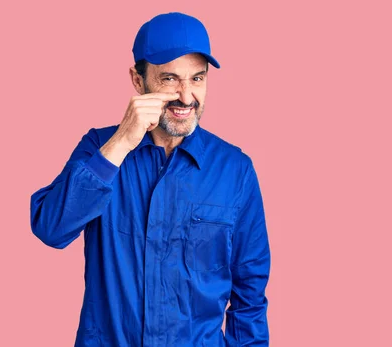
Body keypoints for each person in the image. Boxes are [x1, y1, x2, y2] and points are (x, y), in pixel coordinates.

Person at [29, 12, 271, 347]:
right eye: (170, 79)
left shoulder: (235, 170)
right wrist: (120, 145)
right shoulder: (100, 149)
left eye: (197, 79)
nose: (186, 97)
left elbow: (250, 294)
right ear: (138, 79)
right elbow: (50, 228)